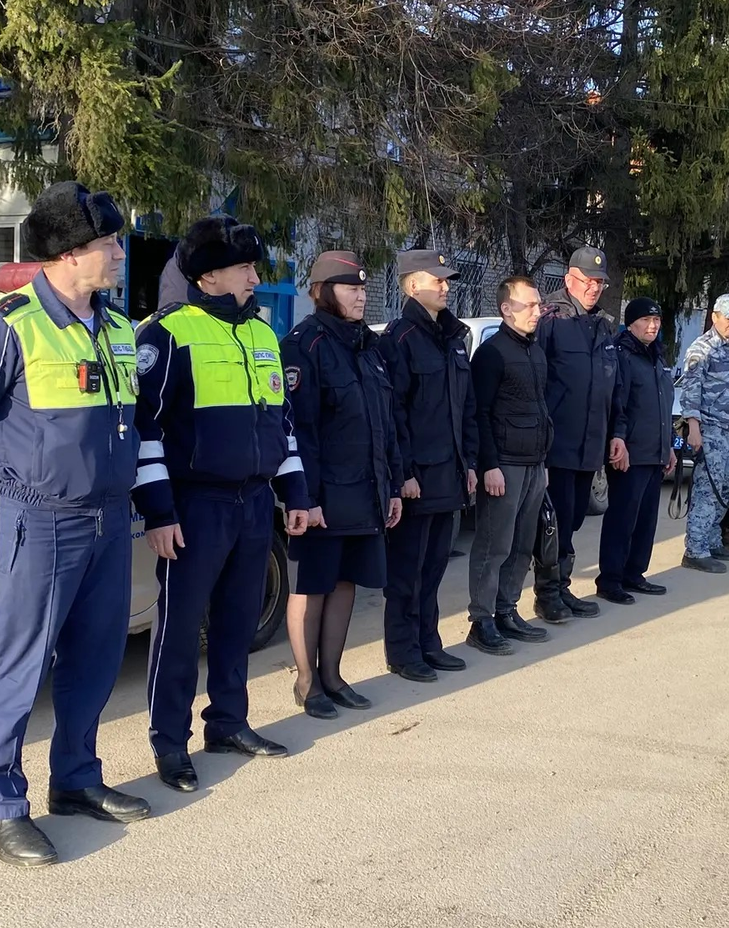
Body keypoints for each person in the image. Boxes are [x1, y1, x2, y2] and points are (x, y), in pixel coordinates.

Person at [0, 181, 149, 868]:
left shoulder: (117, 326)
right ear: (67, 254)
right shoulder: (5, 325)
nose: (118, 254)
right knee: (17, 664)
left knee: (95, 656)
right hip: (37, 519)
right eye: (107, 244)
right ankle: (1, 806)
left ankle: (77, 777)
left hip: (109, 520)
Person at [131, 215, 311, 792]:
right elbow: (146, 432)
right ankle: (169, 742)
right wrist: (159, 512)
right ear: (208, 277)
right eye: (245, 268)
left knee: (238, 623)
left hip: (255, 504)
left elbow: (281, 425)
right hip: (195, 506)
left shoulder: (262, 335)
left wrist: (296, 495)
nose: (255, 278)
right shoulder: (166, 336)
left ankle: (229, 722)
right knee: (181, 629)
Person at [282, 251, 404, 718]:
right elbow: (300, 429)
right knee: (312, 586)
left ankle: (332, 675)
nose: (361, 295)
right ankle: (306, 681)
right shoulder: (304, 345)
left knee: (346, 582)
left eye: (363, 288)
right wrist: (306, 498)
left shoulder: (368, 347)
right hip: (324, 494)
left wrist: (391, 485)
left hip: (365, 490)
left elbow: (384, 423)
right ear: (323, 292)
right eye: (351, 288)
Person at [378, 249, 478, 683]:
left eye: (446, 279)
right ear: (411, 284)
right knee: (408, 570)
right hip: (418, 478)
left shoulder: (452, 337)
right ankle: (403, 651)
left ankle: (428, 642)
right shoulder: (399, 339)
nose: (445, 285)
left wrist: (470, 462)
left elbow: (466, 408)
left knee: (435, 566)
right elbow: (393, 414)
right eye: (436, 279)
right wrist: (404, 475)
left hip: (450, 474)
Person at [465, 275, 553, 654]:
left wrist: (543, 460)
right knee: (493, 544)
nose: (537, 311)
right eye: (529, 305)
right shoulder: (492, 353)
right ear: (506, 309)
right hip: (504, 465)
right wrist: (489, 465)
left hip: (534, 463)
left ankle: (506, 609)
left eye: (538, 304)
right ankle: (481, 619)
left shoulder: (535, 350)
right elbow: (479, 413)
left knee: (521, 544)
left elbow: (540, 407)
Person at [533, 246, 613, 622]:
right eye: (588, 281)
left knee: (575, 519)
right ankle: (547, 593)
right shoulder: (551, 320)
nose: (594, 288)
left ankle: (562, 586)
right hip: (559, 443)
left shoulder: (601, 325)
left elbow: (609, 388)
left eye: (599, 282)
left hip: (589, 443)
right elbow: (535, 382)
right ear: (569, 280)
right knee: (555, 522)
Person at [598, 298, 678, 603]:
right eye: (646, 320)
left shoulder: (656, 356)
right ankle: (611, 579)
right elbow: (618, 403)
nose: (653, 326)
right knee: (622, 519)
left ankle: (634, 573)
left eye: (656, 321)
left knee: (646, 521)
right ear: (631, 323)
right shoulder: (623, 355)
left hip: (655, 451)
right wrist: (620, 441)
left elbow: (664, 404)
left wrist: (669, 444)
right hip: (630, 453)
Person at [679, 293, 729, 573]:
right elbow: (691, 389)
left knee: (726, 487)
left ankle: (712, 540)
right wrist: (693, 427)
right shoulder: (702, 348)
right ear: (715, 317)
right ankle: (695, 549)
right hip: (710, 429)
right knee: (707, 488)